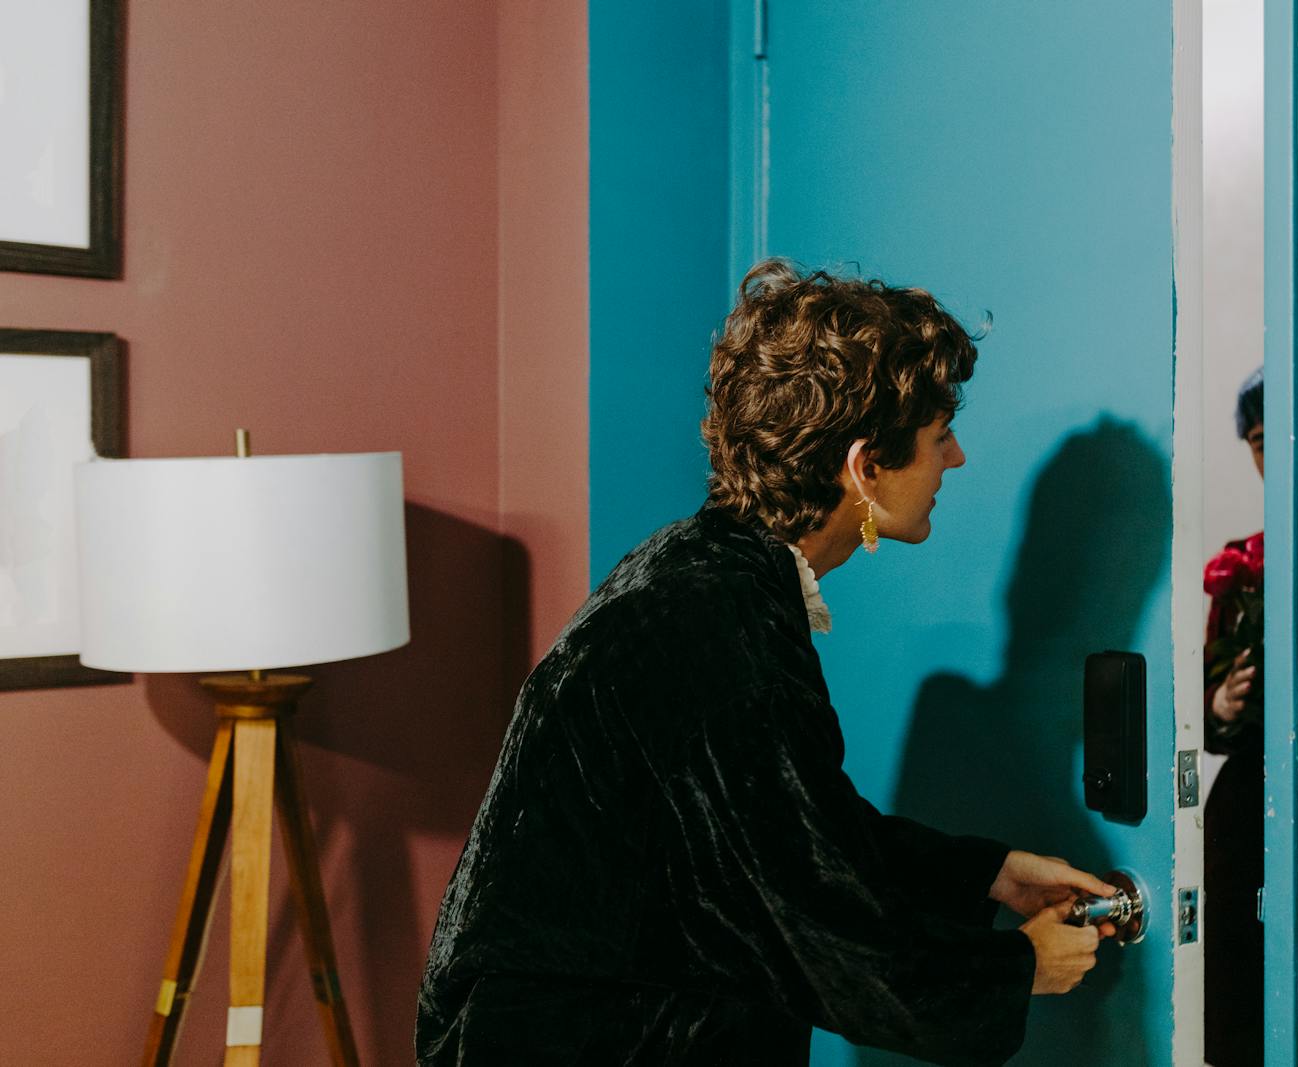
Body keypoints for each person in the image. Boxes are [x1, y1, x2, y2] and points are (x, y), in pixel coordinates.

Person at [416, 260, 1118, 1065]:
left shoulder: (697, 570)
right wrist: (1016, 966)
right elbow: (818, 918)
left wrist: (986, 873)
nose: (955, 458)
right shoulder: (722, 631)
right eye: (938, 435)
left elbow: (790, 823)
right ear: (865, 467)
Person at [1203, 366, 1265, 1066]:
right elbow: (1207, 713)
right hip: (1246, 803)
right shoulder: (1241, 565)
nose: (1267, 455)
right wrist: (1221, 702)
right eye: (1256, 441)